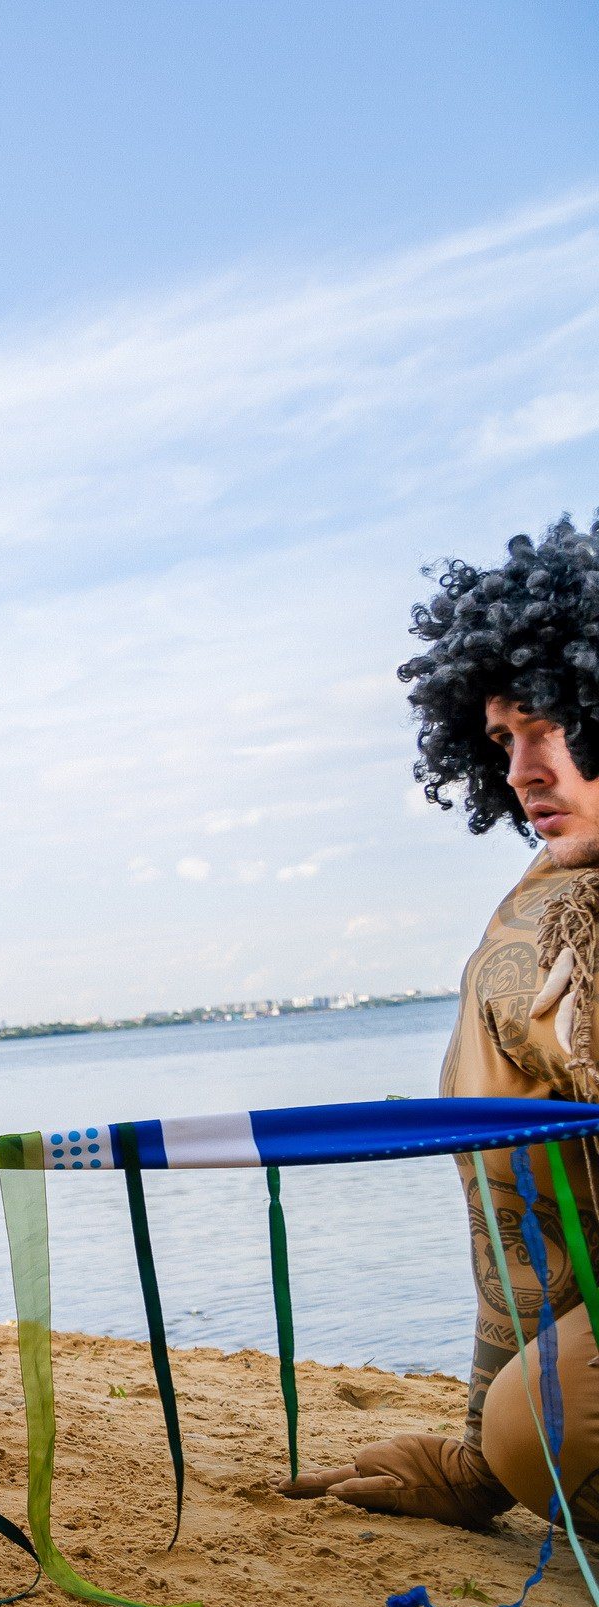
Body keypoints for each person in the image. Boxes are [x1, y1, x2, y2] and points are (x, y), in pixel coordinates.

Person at [282, 519, 599, 1528]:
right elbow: (513, 1199)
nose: (522, 771)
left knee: (537, 1431)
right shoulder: (541, 904)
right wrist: (476, 1462)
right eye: (502, 739)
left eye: (548, 725)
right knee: (530, 1429)